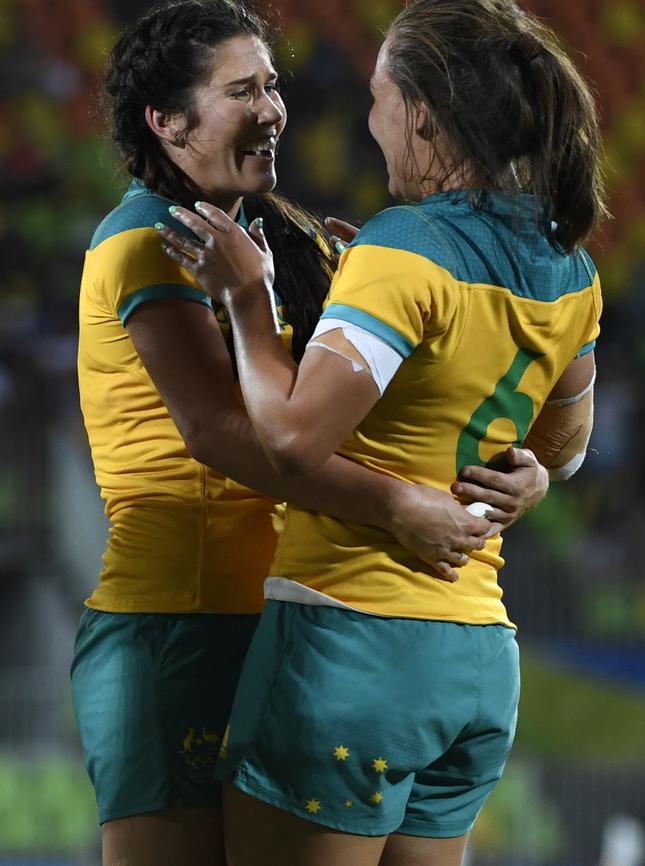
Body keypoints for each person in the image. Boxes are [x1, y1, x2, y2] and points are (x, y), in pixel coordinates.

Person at [71, 2, 548, 866]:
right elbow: (220, 433)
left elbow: (404, 402)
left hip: (297, 622)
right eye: (240, 91)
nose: (271, 109)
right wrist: (397, 505)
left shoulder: (286, 241)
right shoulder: (150, 243)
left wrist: (533, 469)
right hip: (178, 621)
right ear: (168, 121)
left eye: (274, 84)